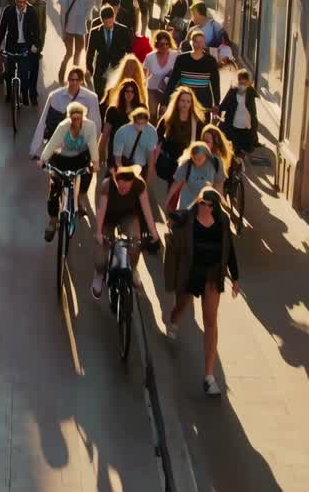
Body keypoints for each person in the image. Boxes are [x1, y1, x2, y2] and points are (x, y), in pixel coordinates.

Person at [164, 187, 239, 396]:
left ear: (216, 207)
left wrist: (236, 277)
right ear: (198, 203)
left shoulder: (222, 223)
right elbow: (174, 224)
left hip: (212, 277)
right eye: (202, 204)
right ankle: (173, 321)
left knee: (211, 321)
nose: (206, 208)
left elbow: (230, 249)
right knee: (181, 307)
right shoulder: (188, 219)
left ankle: (209, 376)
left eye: (210, 205)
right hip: (190, 274)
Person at [91, 165, 159, 297]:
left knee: (135, 239)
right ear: (115, 180)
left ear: (132, 182)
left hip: (128, 215)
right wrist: (99, 232)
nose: (123, 190)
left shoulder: (140, 185)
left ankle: (133, 268)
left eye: (126, 188)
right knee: (102, 248)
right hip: (108, 217)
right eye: (120, 187)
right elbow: (101, 210)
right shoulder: (107, 185)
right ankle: (99, 274)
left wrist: (154, 233)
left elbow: (146, 210)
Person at [39, 101, 99, 240]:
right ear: (69, 117)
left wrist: (95, 162)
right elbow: (52, 143)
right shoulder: (63, 126)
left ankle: (80, 197)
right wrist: (42, 160)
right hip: (61, 158)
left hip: (79, 158)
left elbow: (93, 145)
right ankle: (53, 221)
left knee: (87, 173)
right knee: (55, 187)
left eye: (79, 118)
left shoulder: (90, 126)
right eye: (73, 118)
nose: (76, 121)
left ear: (83, 117)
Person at [30, 68, 101, 157]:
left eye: (77, 80)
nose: (74, 83)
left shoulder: (91, 98)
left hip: (79, 147)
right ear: (68, 80)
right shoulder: (55, 96)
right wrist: (35, 149)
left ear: (81, 81)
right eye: (72, 79)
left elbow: (96, 125)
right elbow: (43, 121)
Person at [0, 0, 41, 107]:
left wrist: (35, 45)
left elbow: (36, 31)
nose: (21, 5)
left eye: (24, 2)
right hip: (11, 45)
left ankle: (25, 95)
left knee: (24, 73)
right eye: (19, 2)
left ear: (26, 1)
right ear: (15, 0)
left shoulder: (31, 11)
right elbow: (2, 28)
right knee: (9, 72)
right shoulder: (8, 11)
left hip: (25, 45)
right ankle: (9, 94)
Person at [154, 88, 207, 188]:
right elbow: (158, 137)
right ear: (177, 101)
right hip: (171, 163)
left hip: (189, 162)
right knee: (172, 191)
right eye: (182, 100)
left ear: (192, 103)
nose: (185, 104)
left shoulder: (197, 121)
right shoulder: (168, 118)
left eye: (188, 101)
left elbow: (202, 141)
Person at [164, 27, 221, 112]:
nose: (198, 45)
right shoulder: (182, 59)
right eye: (196, 42)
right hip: (184, 99)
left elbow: (215, 84)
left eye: (201, 42)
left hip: (203, 100)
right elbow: (173, 80)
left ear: (204, 43)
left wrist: (216, 103)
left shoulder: (210, 61)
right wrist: (164, 102)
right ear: (191, 43)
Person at [85, 5, 132, 102]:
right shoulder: (95, 32)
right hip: (101, 70)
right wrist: (89, 67)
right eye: (105, 23)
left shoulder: (123, 30)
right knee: (100, 98)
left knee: (115, 98)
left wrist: (128, 68)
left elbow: (130, 51)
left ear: (114, 17)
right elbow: (90, 51)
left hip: (117, 69)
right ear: (101, 20)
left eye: (110, 21)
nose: (108, 25)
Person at [57, 0, 94, 80]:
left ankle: (75, 75)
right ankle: (62, 73)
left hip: (80, 29)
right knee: (69, 53)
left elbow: (89, 10)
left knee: (78, 52)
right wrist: (63, 30)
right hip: (68, 29)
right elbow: (62, 13)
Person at [167, 140, 226, 211]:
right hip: (186, 206)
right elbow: (176, 183)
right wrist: (167, 201)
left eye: (200, 159)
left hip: (203, 208)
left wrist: (221, 204)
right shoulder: (187, 165)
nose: (197, 162)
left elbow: (218, 184)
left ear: (206, 155)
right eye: (194, 159)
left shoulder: (213, 164)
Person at [99, 78, 145, 166]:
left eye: (132, 91)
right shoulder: (113, 110)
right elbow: (104, 135)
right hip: (115, 155)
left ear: (136, 93)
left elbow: (145, 134)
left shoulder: (141, 109)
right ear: (122, 92)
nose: (129, 94)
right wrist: (97, 156)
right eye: (127, 91)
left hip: (133, 157)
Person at [219, 69, 259, 156]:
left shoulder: (250, 93)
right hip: (233, 127)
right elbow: (223, 105)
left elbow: (253, 114)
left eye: (244, 84)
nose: (242, 86)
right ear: (237, 82)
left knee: (243, 149)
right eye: (241, 84)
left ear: (248, 83)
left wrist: (254, 135)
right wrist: (217, 109)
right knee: (233, 149)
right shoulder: (233, 92)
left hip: (245, 129)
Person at [112, 106, 158, 179]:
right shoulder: (122, 132)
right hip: (125, 166)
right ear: (132, 120)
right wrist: (121, 175)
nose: (140, 126)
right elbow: (118, 158)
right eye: (137, 123)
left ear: (147, 122)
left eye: (143, 123)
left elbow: (151, 157)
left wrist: (147, 180)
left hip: (142, 167)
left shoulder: (151, 132)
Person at [143, 30, 178, 121]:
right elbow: (143, 74)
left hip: (168, 91)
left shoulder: (176, 56)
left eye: (167, 44)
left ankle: (160, 133)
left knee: (164, 115)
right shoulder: (149, 57)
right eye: (162, 44)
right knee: (152, 114)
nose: (165, 46)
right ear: (157, 44)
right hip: (152, 90)